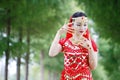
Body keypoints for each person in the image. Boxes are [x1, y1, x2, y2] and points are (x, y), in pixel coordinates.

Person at [49, 12, 98, 80]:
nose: (82, 28)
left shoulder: (90, 43)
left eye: (85, 25)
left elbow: (93, 67)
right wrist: (59, 33)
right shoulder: (65, 42)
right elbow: (52, 53)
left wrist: (90, 48)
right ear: (72, 25)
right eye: (78, 25)